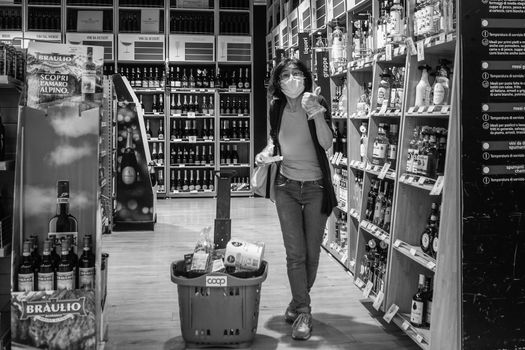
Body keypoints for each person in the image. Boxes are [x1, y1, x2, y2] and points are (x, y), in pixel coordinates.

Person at [255, 58, 337, 340]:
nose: (292, 79)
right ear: (278, 82)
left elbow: (327, 144)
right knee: (295, 255)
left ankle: (295, 304)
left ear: (306, 77)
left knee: (312, 256)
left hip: (316, 188)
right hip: (285, 186)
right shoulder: (276, 107)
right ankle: (303, 311)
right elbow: (274, 141)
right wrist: (265, 153)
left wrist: (316, 113)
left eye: (297, 74)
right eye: (286, 75)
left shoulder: (317, 101)